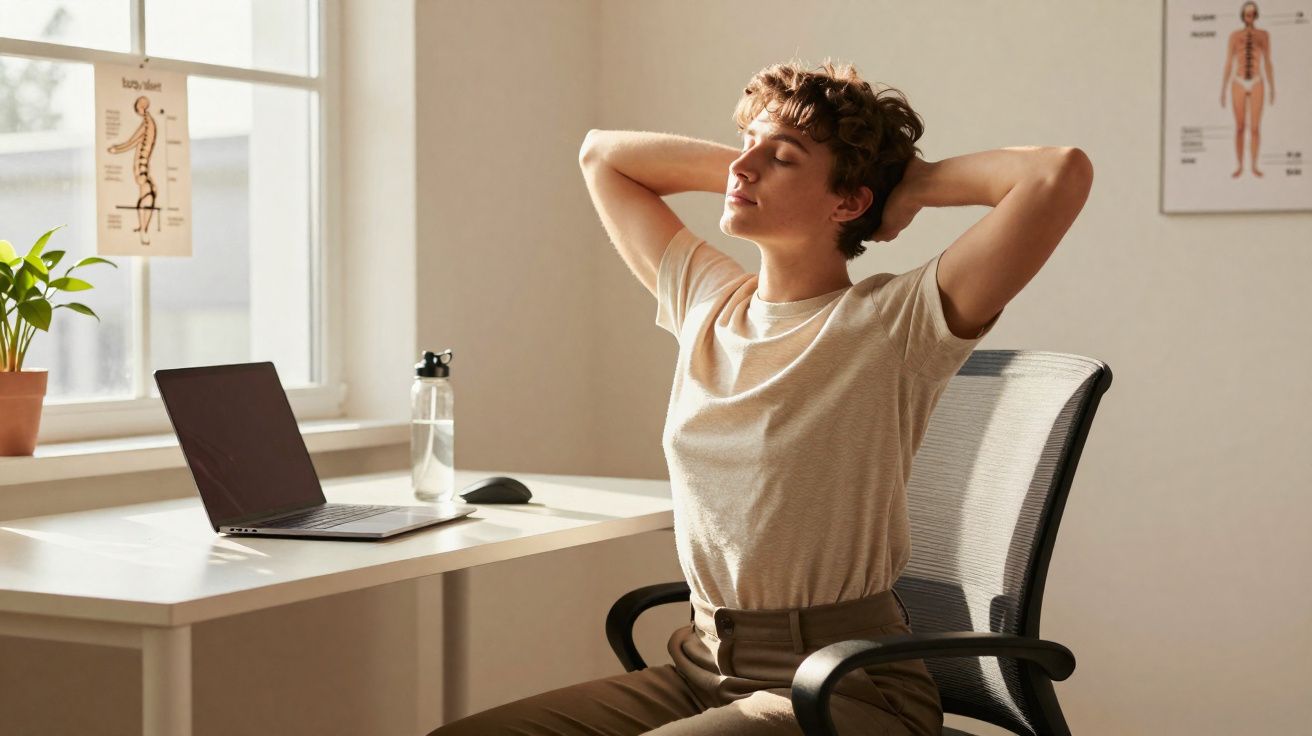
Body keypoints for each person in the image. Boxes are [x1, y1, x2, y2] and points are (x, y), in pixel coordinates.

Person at [431, 58, 1092, 735]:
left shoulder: (897, 321)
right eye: (746, 144)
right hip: (700, 668)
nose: (744, 168)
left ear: (849, 201)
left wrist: (911, 184)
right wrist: (755, 156)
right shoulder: (708, 303)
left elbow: (1056, 173)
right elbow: (602, 156)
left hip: (847, 685)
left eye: (781, 158)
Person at [1220, 1, 1275, 178]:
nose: (1249, 17)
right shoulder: (1234, 36)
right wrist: (1222, 88)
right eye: (1246, 14)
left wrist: (1273, 87)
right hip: (1238, 81)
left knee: (1255, 128)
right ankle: (1240, 166)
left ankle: (1254, 166)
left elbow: (1267, 62)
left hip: (1257, 81)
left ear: (1256, 15)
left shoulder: (1264, 35)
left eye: (1252, 14)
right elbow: (1229, 62)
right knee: (1240, 127)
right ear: (1242, 16)